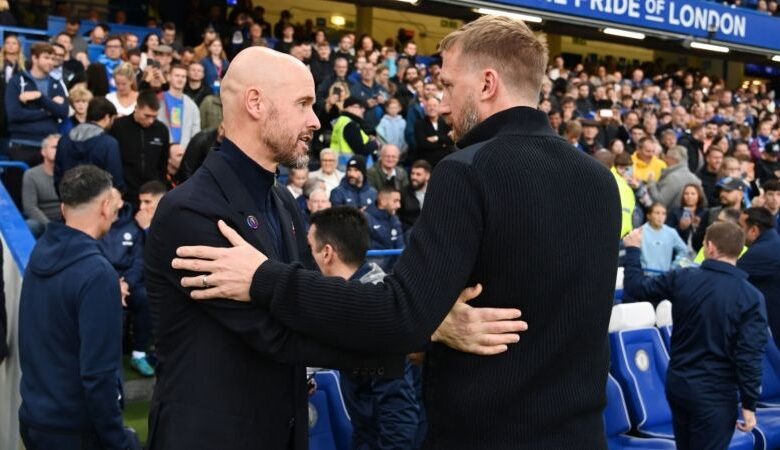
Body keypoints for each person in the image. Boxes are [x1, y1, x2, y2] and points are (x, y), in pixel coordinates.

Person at [174, 17, 622, 449]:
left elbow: (400, 313)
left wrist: (262, 277)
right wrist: (434, 326)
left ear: (487, 84)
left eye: (447, 86)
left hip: (484, 434)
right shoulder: (601, 182)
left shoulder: (467, 171)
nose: (441, 104)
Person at [145, 47, 515, 450]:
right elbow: (278, 334)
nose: (315, 121)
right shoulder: (190, 211)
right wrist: (418, 330)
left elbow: (311, 307)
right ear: (255, 102)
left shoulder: (283, 202)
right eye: (303, 104)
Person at [18, 165, 138, 450]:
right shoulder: (97, 274)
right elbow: (98, 374)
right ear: (106, 206)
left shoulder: (41, 252)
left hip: (36, 419)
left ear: (62, 207)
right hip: (75, 431)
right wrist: (118, 440)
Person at [622, 222, 767, 450]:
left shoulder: (682, 278)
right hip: (715, 395)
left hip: (679, 387)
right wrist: (749, 404)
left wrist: (633, 250)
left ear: (709, 247)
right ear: (739, 250)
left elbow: (636, 287)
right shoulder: (751, 297)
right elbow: (749, 355)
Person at [307, 206, 423, 449]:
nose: (309, 257)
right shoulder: (362, 295)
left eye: (310, 248)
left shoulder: (374, 312)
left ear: (327, 253)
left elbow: (399, 413)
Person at [110, 90, 170, 208]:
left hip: (152, 193)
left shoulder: (162, 130)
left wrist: (161, 188)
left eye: (154, 116)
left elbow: (163, 164)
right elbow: (113, 160)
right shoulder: (119, 126)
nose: (150, 121)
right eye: (146, 116)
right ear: (136, 108)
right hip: (126, 192)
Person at [54, 97, 123, 193]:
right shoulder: (109, 143)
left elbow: (58, 175)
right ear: (107, 117)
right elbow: (115, 179)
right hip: (99, 202)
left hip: (70, 200)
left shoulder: (64, 140)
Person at [737, 207, 780, 347]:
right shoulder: (772, 242)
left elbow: (729, 276)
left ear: (754, 230)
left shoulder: (762, 251)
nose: (737, 232)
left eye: (740, 227)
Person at [22, 134, 62, 235]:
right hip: (43, 223)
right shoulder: (31, 175)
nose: (58, 150)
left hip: (66, 222)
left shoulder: (70, 173)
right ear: (43, 151)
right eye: (54, 147)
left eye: (61, 147)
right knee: (30, 225)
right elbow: (30, 208)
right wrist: (49, 226)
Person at [157, 63, 201, 154]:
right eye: (177, 76)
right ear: (169, 77)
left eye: (183, 77)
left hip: (184, 152)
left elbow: (196, 133)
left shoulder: (192, 105)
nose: (180, 79)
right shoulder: (158, 100)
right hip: (161, 150)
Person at [639, 202, 690, 273]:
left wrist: (674, 267)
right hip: (644, 277)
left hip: (664, 278)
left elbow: (684, 251)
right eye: (657, 213)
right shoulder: (639, 232)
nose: (660, 216)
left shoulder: (671, 232)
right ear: (649, 216)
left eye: (663, 214)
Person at [647, 146, 701, 210]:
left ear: (673, 159)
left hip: (670, 218)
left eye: (667, 157)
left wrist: (651, 183)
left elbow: (660, 202)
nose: (665, 160)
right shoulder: (696, 179)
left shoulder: (672, 178)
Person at [666, 183, 708, 253]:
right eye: (686, 194)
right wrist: (681, 228)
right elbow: (667, 233)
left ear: (699, 196)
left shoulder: (704, 213)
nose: (689, 196)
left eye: (693, 194)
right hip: (680, 250)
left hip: (699, 250)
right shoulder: (675, 212)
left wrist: (697, 227)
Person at [414, 95, 454, 167]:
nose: (432, 108)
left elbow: (451, 140)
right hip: (428, 163)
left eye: (434, 105)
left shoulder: (447, 122)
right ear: (425, 108)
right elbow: (423, 144)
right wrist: (443, 143)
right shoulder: (419, 124)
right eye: (429, 106)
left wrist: (437, 138)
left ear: (439, 107)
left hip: (445, 162)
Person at [399, 159, 430, 232]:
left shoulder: (435, 192)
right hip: (410, 231)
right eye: (412, 173)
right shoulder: (403, 193)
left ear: (427, 176)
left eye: (418, 174)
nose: (414, 177)